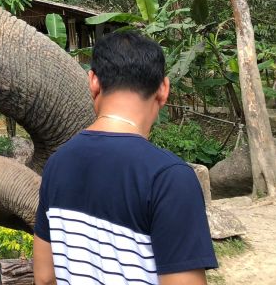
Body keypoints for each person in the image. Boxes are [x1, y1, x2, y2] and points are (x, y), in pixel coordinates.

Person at [33, 31, 218, 285]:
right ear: (164, 88)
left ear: (93, 81)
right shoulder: (169, 178)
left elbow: (44, 277)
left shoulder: (57, 163)